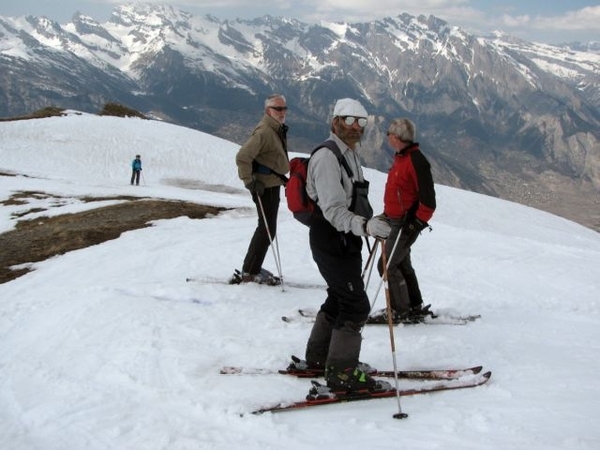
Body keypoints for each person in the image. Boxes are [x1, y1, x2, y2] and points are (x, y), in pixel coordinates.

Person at [296, 98, 392, 394]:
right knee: (355, 304)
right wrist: (365, 226)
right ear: (335, 121)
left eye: (361, 122)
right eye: (349, 120)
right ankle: (341, 375)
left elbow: (353, 199)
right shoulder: (327, 157)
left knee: (340, 297)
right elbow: (334, 211)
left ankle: (319, 358)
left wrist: (370, 222)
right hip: (331, 238)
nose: (356, 127)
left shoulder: (347, 153)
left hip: (344, 239)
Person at [376, 117, 436, 323]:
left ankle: (400, 309)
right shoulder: (402, 157)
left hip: (404, 224)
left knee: (386, 265)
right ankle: (413, 303)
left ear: (397, 137)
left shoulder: (416, 160)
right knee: (400, 264)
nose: (387, 137)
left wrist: (415, 224)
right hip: (396, 220)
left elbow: (428, 201)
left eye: (389, 134)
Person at [231, 94, 290, 285]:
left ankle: (252, 268)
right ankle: (250, 271)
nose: (282, 113)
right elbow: (242, 156)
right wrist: (249, 182)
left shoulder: (274, 129)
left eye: (284, 109)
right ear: (268, 111)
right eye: (278, 109)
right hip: (265, 187)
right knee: (266, 229)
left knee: (267, 228)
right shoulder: (265, 131)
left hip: (271, 185)